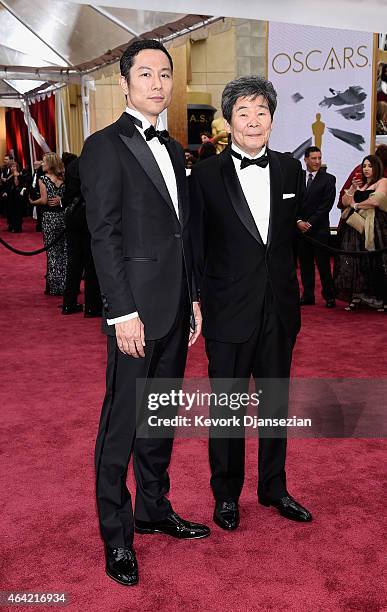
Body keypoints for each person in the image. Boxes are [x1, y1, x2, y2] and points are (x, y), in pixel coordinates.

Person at [79, 38, 210, 587]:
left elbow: (183, 233)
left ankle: (153, 509)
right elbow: (104, 235)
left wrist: (195, 296)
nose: (158, 83)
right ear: (124, 82)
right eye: (147, 74)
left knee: (158, 420)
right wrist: (120, 311)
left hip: (176, 306)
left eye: (165, 74)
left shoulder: (177, 149)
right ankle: (116, 534)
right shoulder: (103, 146)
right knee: (121, 424)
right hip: (133, 312)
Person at [190, 76, 312, 533]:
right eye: (243, 112)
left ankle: (274, 487)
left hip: (279, 308)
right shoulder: (204, 175)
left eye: (261, 111)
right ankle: (226, 494)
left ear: (273, 119)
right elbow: (197, 247)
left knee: (276, 403)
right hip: (227, 309)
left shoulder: (288, 170)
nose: (253, 120)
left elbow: (284, 243)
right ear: (228, 121)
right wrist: (195, 301)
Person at [334, 155, 387, 311]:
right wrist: (352, 188)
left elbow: (376, 201)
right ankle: (358, 295)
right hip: (355, 230)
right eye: (364, 166)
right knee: (356, 262)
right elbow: (344, 201)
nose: (366, 169)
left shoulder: (382, 181)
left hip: (375, 228)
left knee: (375, 261)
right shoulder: (361, 185)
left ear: (377, 167)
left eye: (370, 166)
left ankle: (380, 297)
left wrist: (356, 205)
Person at [61, 156, 102, 317]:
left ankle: (68, 303)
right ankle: (92, 306)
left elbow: (68, 193)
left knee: (74, 262)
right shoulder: (93, 164)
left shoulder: (72, 166)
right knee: (91, 263)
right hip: (88, 217)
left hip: (72, 216)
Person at [297, 146, 336, 307]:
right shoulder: (297, 178)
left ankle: (329, 296)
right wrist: (298, 221)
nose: (317, 161)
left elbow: (325, 206)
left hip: (319, 230)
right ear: (306, 159)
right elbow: (291, 201)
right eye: (314, 158)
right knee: (305, 265)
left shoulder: (328, 179)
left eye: (319, 158)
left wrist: (310, 223)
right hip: (300, 231)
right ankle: (307, 295)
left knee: (324, 265)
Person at [29, 153, 67, 295]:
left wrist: (33, 202)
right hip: (63, 217)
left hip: (50, 218)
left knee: (52, 252)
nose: (41, 164)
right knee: (63, 251)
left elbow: (44, 200)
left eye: (44, 162)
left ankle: (54, 286)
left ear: (50, 164)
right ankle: (64, 284)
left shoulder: (43, 179)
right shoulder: (63, 178)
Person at [6, 161, 26, 233]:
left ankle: (17, 227)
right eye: (11, 166)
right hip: (11, 196)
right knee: (11, 211)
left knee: (17, 212)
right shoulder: (9, 174)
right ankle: (11, 226)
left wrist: (15, 176)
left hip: (17, 196)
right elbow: (7, 184)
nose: (13, 168)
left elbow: (17, 184)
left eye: (14, 166)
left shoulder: (19, 175)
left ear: (17, 167)